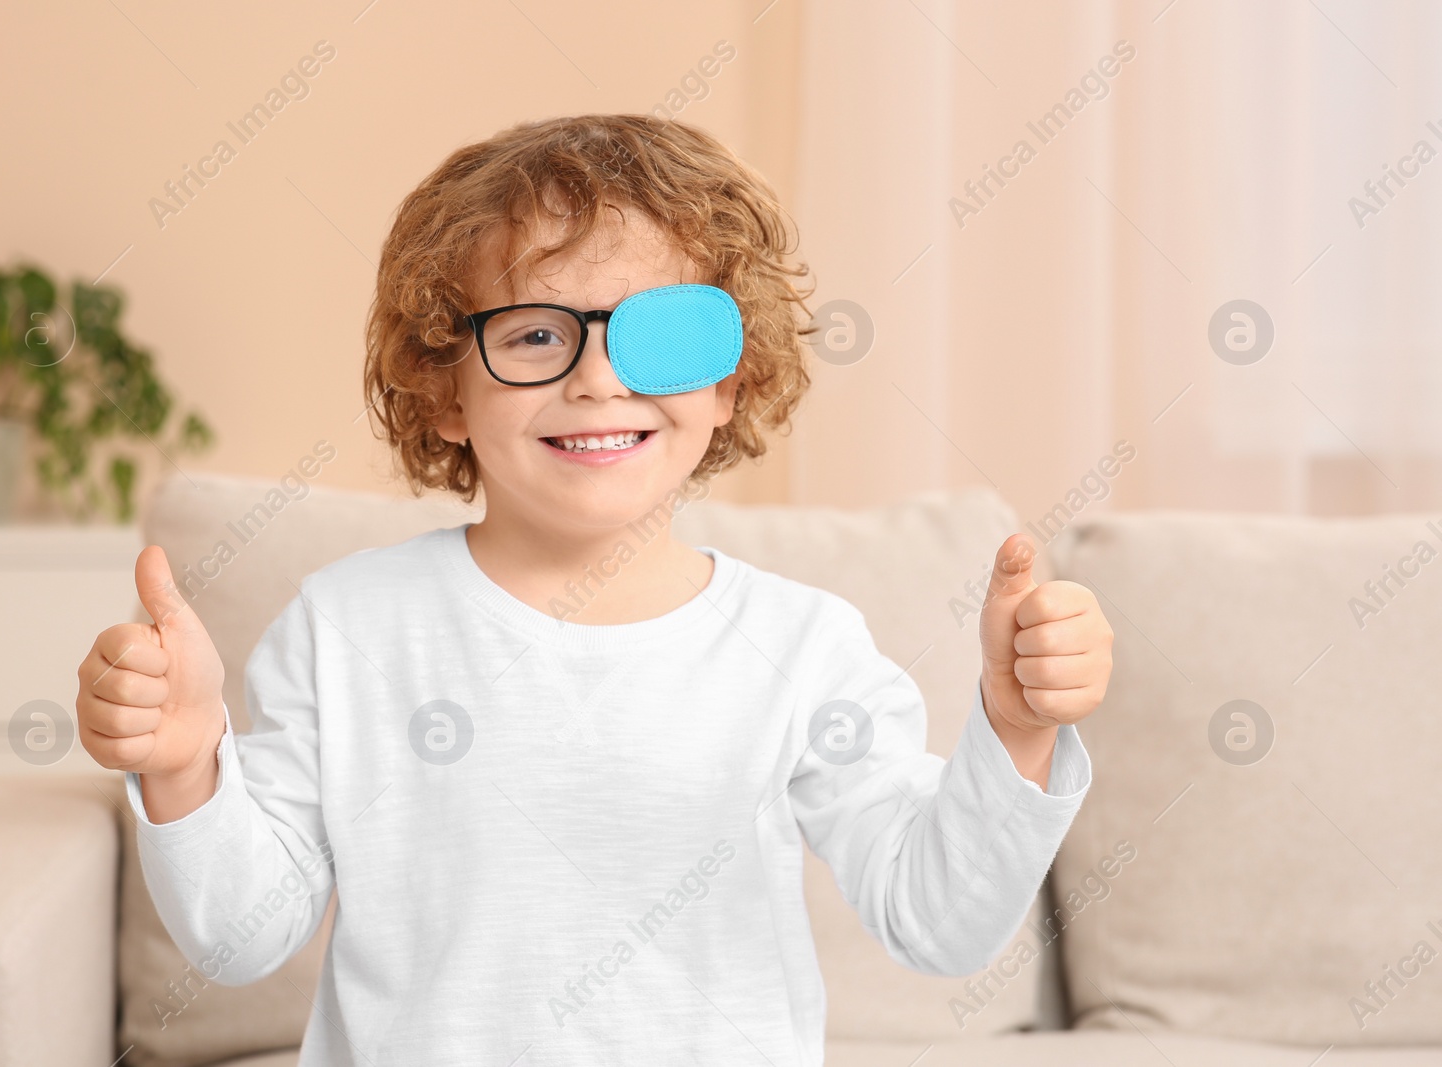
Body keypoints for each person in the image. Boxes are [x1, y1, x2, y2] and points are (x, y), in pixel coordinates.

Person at [75, 113, 1113, 1065]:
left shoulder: (800, 645)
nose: (598, 379)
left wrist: (1013, 730)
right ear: (443, 389)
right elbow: (242, 934)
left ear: (728, 380)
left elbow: (938, 920)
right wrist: (183, 765)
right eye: (534, 333)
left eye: (657, 335)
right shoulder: (347, 627)